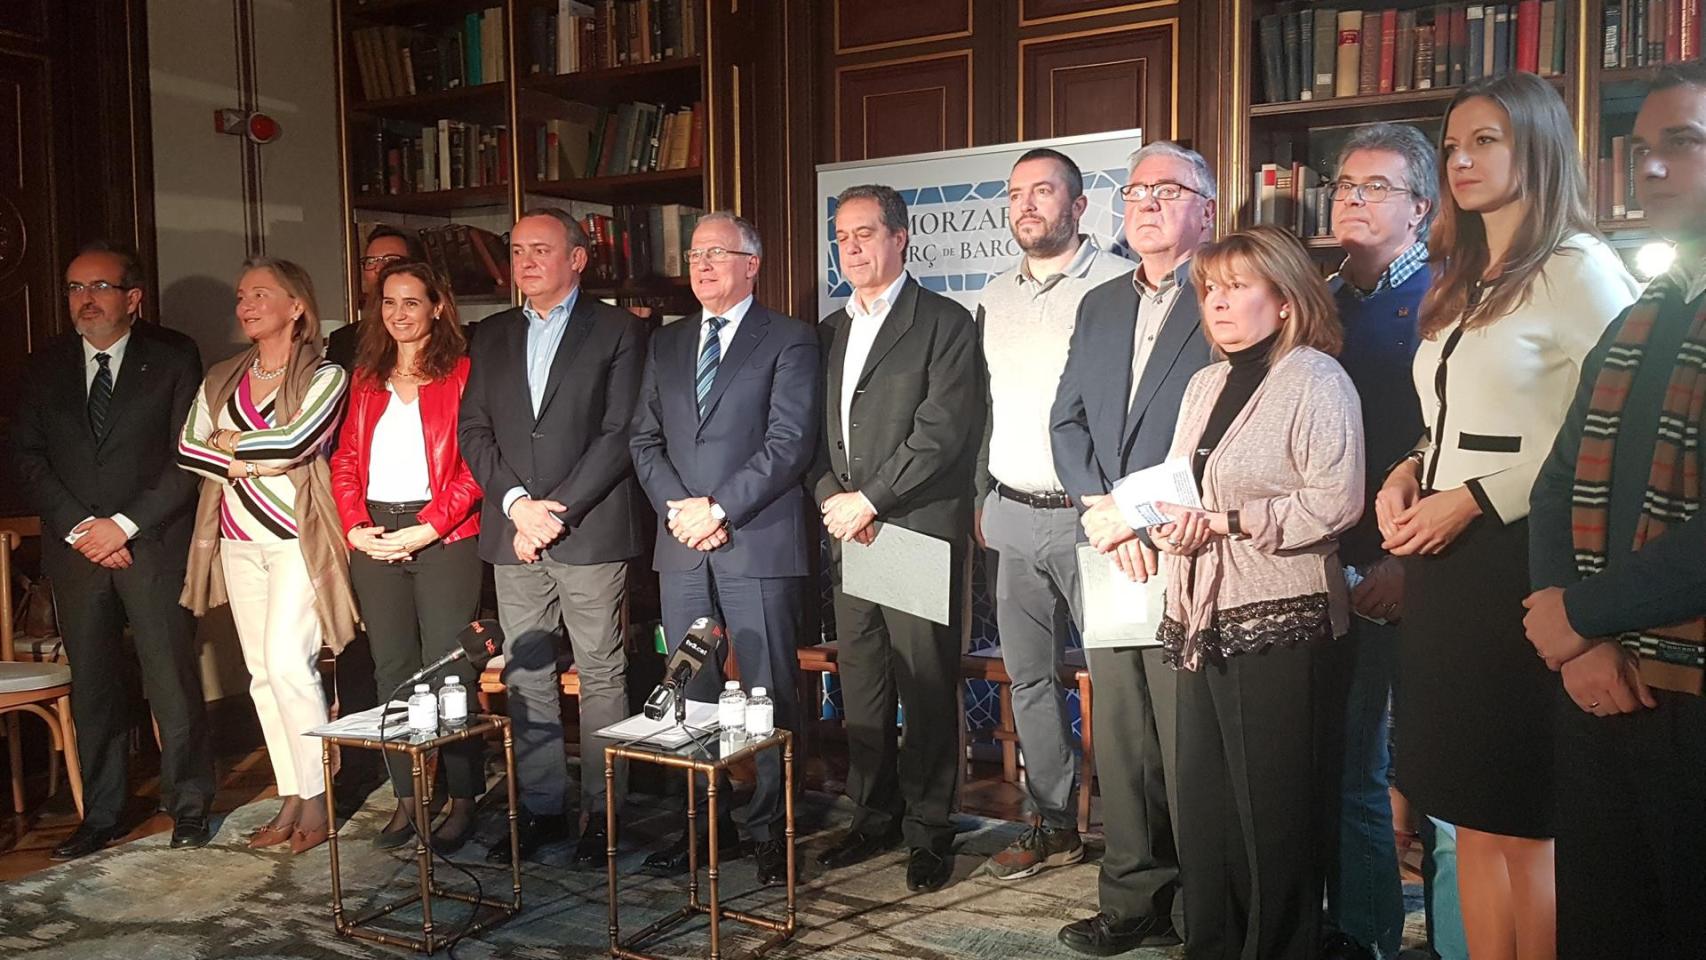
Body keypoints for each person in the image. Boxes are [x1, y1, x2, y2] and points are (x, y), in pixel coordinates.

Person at [1377, 73, 1640, 960]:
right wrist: (1409, 471)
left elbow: (1610, 427)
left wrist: (1477, 497)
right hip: (1445, 573)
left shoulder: (1580, 268)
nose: (1460, 158)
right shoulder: (1464, 280)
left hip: (1522, 563)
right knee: (1471, 813)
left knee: (1528, 822)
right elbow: (1457, 418)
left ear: (1538, 144)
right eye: (1453, 143)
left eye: (1485, 140)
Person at [1085, 224, 1362, 960]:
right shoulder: (1205, 382)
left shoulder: (1315, 378)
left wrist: (1230, 519)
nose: (1219, 302)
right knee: (1204, 812)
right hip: (1198, 614)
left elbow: (1335, 503)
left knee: (1273, 819)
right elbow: (1180, 486)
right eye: (1209, 290)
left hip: (1283, 619)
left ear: (1286, 297)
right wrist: (1164, 525)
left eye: (1238, 286)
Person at [1524, 62, 1706, 960]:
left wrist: (1582, 616)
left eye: (1684, 143)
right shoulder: (1644, 313)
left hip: (1691, 689)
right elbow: (1558, 480)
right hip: (1600, 679)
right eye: (1641, 151)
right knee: (1602, 924)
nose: (1655, 168)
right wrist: (1580, 640)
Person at [1050, 140, 1217, 954]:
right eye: (1136, 189)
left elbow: (1227, 432)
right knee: (1120, 741)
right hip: (1110, 552)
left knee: (1191, 748)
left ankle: (1202, 912)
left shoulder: (1231, 294)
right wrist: (1101, 513)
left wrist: (1138, 517)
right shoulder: (1100, 303)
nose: (1145, 202)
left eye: (1167, 189)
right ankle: (1132, 903)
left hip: (1189, 552)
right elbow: (1066, 420)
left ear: (1207, 210)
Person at [629, 211, 819, 886]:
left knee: (769, 691)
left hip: (756, 539)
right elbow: (644, 441)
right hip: (681, 544)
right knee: (688, 691)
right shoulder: (667, 344)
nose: (703, 265)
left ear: (752, 262)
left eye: (718, 253)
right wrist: (682, 513)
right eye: (695, 255)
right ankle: (707, 826)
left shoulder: (791, 340)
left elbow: (790, 442)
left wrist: (719, 507)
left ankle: (774, 827)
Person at [9, 241, 215, 860]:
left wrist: (122, 525)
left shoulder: (174, 354)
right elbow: (27, 456)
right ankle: (101, 813)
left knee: (170, 680)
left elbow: (191, 457)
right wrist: (83, 528)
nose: (85, 301)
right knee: (94, 686)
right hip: (77, 553)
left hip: (150, 543)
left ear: (132, 297)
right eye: (74, 289)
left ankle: (188, 806)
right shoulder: (43, 363)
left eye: (98, 288)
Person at [458, 207, 648, 867]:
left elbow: (621, 431)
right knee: (527, 672)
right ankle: (541, 810)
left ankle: (605, 813)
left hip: (589, 527)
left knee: (601, 672)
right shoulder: (491, 334)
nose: (525, 262)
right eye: (516, 252)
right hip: (514, 533)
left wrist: (556, 510)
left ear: (577, 258)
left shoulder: (619, 330)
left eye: (541, 249)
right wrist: (516, 505)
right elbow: (474, 430)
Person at [812, 183, 983, 893]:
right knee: (866, 684)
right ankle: (872, 815)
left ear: (900, 237)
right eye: (842, 237)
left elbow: (942, 432)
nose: (851, 248)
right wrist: (832, 498)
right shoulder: (829, 329)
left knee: (925, 683)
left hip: (908, 529)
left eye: (864, 234)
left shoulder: (943, 321)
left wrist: (869, 500)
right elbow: (814, 433)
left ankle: (929, 830)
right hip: (850, 533)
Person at [970, 148, 1133, 882]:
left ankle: (1134, 840)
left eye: (1044, 192)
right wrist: (982, 494)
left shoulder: (1119, 284)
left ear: (1079, 207)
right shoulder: (995, 293)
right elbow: (986, 405)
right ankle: (1053, 823)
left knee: (1119, 680)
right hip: (1011, 513)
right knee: (1030, 679)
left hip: (1091, 518)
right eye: (1015, 195)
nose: (1027, 205)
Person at [177, 257, 357, 855]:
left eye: (260, 293)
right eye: (241, 294)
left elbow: (297, 444)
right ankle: (290, 793)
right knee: (259, 675)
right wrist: (247, 456)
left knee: (288, 664)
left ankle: (319, 796)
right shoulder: (221, 375)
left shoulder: (326, 374)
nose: (246, 305)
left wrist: (230, 447)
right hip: (235, 538)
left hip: (294, 539)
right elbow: (186, 449)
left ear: (296, 305)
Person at [1322, 123, 1435, 960]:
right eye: (1344, 185)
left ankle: (1380, 936)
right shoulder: (1316, 297)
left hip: (1405, 564)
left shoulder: (1446, 298)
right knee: (1332, 759)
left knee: (1390, 768)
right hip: (1313, 563)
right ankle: (1342, 924)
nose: (1352, 198)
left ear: (1422, 207)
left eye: (1376, 187)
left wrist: (1403, 561)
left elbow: (1452, 439)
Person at [329, 260, 483, 853]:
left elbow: (475, 467)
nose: (398, 313)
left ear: (436, 307)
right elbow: (344, 461)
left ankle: (464, 797)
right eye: (388, 302)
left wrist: (428, 527)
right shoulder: (365, 378)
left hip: (444, 534)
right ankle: (409, 798)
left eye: (411, 302)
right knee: (392, 670)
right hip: (376, 532)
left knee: (449, 671)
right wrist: (355, 526)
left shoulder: (464, 374)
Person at [323, 225, 427, 811]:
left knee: (433, 659)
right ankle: (378, 777)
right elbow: (342, 449)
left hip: (434, 526)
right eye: (372, 265)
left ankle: (454, 788)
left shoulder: (455, 360)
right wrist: (354, 524)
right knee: (370, 660)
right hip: (367, 522)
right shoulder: (346, 350)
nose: (381, 273)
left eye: (395, 265)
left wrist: (430, 524)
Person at [326, 224, 428, 370]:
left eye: (390, 260)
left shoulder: (453, 344)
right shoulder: (344, 340)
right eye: (371, 261)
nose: (379, 269)